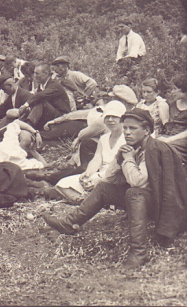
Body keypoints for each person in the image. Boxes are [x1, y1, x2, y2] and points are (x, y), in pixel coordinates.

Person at [42, 109, 187, 269]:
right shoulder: (133, 147)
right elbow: (108, 179)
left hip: (164, 207)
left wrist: (128, 160)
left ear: (146, 131)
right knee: (104, 188)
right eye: (125, 128)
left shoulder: (154, 149)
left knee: (134, 193)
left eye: (133, 128)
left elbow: (137, 182)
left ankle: (139, 252)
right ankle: (70, 223)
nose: (127, 132)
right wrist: (119, 157)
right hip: (146, 201)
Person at [53, 101, 126, 203]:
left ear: (122, 119)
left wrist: (100, 179)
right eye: (107, 117)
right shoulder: (104, 139)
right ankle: (84, 200)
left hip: (114, 178)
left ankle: (94, 201)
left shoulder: (127, 139)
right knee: (63, 184)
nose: (110, 120)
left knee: (99, 187)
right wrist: (88, 173)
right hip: (99, 174)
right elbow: (97, 159)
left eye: (114, 117)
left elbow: (121, 169)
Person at [18, 63, 70, 130]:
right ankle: (22, 123)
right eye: (34, 73)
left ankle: (29, 125)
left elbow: (41, 95)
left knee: (41, 102)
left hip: (62, 115)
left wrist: (26, 105)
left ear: (45, 73)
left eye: (37, 73)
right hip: (50, 113)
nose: (34, 76)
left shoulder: (54, 85)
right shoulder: (42, 85)